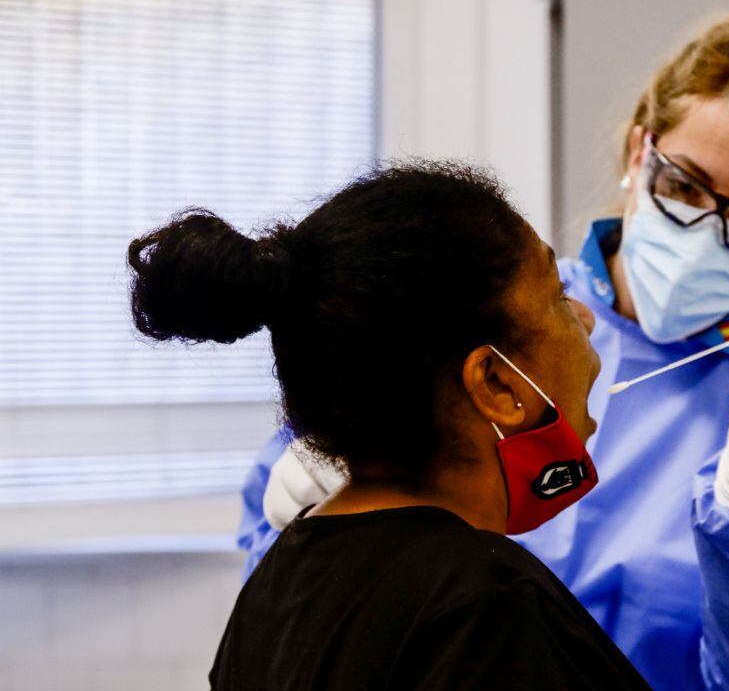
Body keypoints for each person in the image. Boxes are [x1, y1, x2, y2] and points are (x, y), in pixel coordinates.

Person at [241, 12, 729, 690]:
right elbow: (297, 628)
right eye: (683, 185)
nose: (706, 231)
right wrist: (298, 527)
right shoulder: (477, 310)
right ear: (638, 153)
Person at [127, 162, 651, 690]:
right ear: (495, 384)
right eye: (558, 296)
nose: (586, 318)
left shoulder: (276, 585)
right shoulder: (487, 607)